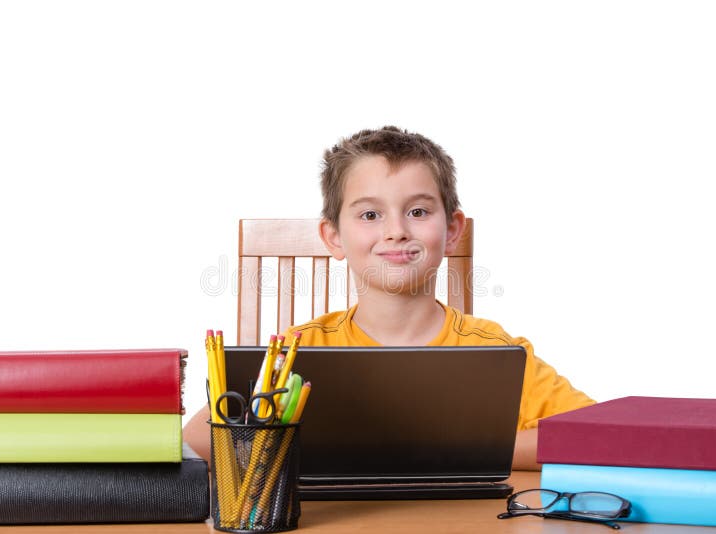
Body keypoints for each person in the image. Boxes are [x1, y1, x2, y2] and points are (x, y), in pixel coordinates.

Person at [184, 126, 594, 470]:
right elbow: (198, 439)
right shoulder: (299, 348)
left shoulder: (497, 352)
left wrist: (447, 451)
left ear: (451, 231)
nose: (396, 231)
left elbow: (597, 439)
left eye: (418, 212)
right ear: (333, 237)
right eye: (369, 215)